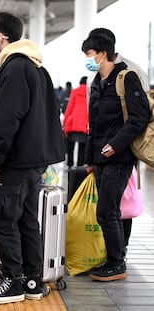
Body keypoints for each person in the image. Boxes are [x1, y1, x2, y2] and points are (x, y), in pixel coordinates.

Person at [0, 12, 65, 304]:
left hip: (16, 160)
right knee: (27, 219)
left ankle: (13, 281)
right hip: (33, 160)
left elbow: (7, 118)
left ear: (1, 37)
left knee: (2, 220)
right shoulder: (37, 68)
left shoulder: (14, 68)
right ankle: (32, 281)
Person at [82, 28, 150, 282]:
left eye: (89, 53)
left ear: (102, 53)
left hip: (119, 158)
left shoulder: (126, 77)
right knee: (112, 210)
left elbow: (139, 117)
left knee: (106, 211)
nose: (87, 59)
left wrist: (115, 145)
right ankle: (116, 256)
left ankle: (116, 263)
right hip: (100, 158)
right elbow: (93, 124)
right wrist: (90, 159)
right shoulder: (97, 83)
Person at [63, 76, 88, 168]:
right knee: (82, 147)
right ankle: (80, 165)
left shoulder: (75, 91)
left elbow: (69, 108)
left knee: (70, 146)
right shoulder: (90, 93)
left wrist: (65, 123)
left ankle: (70, 164)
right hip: (85, 124)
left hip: (73, 123)